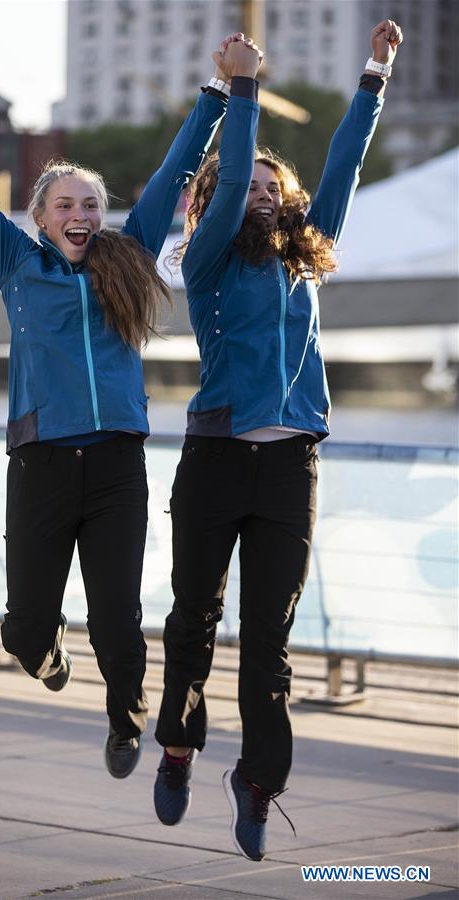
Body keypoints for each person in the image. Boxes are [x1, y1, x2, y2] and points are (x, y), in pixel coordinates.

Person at [0, 47, 232, 779]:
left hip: (114, 465)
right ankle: (47, 654)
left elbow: (174, 170)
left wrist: (217, 92)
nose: (80, 214)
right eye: (65, 205)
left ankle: (126, 723)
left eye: (90, 204)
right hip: (40, 463)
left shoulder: (129, 254)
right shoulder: (17, 262)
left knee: (118, 619)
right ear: (40, 218)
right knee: (23, 629)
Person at [153, 21, 403, 858]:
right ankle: (180, 746)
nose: (260, 193)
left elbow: (344, 168)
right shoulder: (209, 260)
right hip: (217, 459)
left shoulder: (306, 253)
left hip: (291, 464)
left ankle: (258, 784)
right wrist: (246, 92)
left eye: (269, 186)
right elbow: (222, 199)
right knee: (194, 619)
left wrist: (374, 73)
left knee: (269, 638)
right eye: (245, 184)